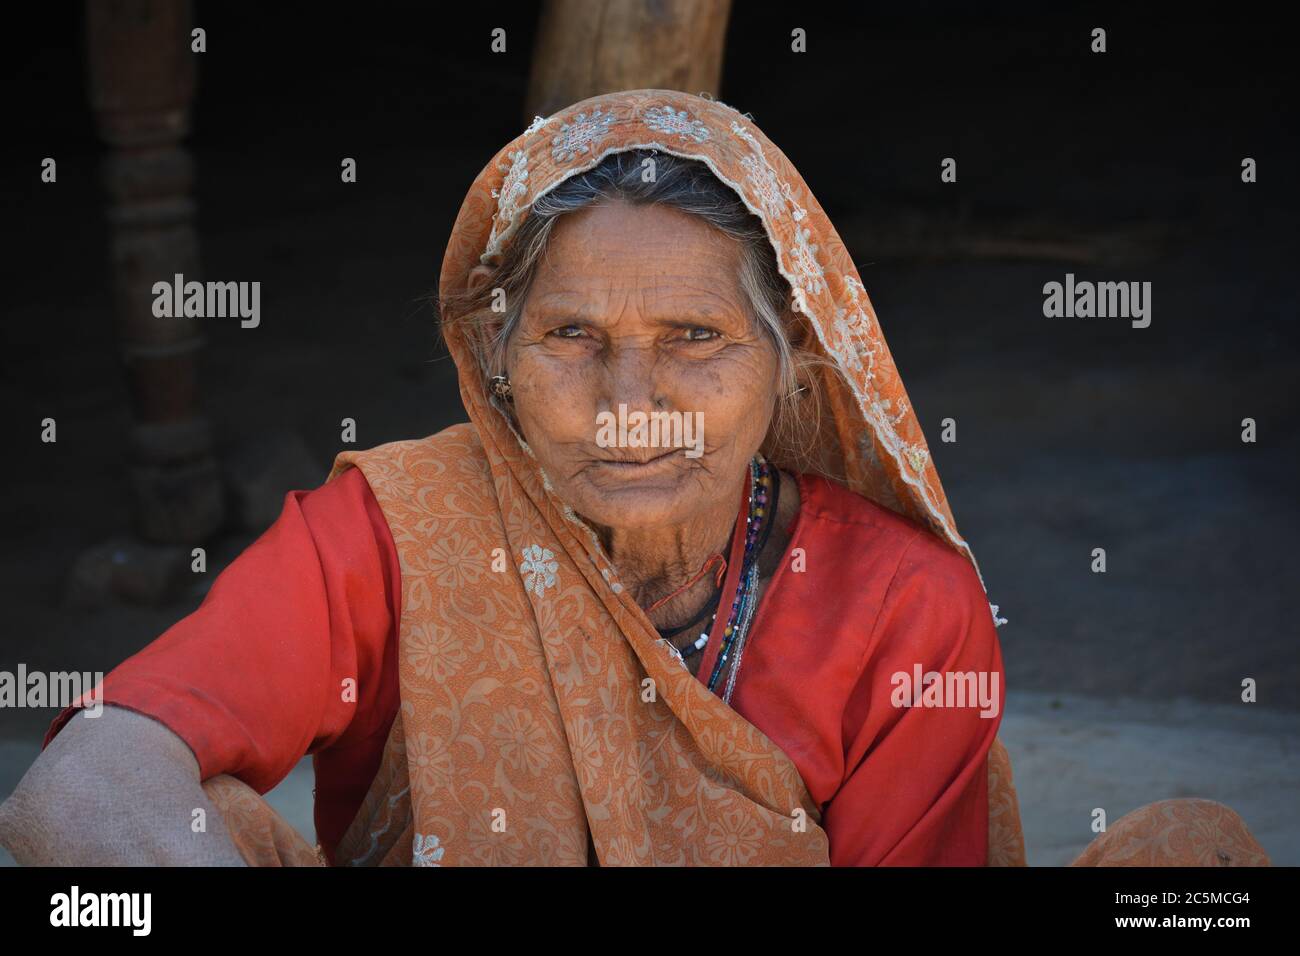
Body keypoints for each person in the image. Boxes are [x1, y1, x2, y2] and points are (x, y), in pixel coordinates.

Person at [0, 89, 1268, 867]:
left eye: (695, 340)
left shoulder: (898, 606)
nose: (630, 407)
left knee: (1189, 865)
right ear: (494, 355)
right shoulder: (394, 531)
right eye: (571, 339)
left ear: (788, 365)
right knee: (169, 831)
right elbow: (85, 777)